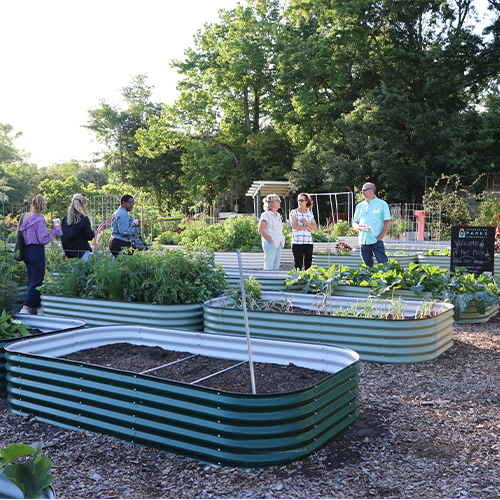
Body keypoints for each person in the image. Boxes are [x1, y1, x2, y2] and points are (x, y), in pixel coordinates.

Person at [17, 194, 63, 315]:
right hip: (36, 252)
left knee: (31, 281)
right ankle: (24, 310)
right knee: (37, 282)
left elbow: (18, 233)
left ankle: (39, 309)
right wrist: (55, 231)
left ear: (32, 204)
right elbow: (43, 239)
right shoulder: (40, 219)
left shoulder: (24, 216)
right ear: (43, 207)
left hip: (26, 251)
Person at [352, 182, 392, 267]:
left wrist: (379, 238)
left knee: (384, 265)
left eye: (365, 189)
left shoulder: (382, 204)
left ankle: (386, 279)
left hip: (376, 240)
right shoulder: (360, 206)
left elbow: (388, 223)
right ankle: (370, 279)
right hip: (364, 241)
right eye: (362, 190)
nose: (363, 191)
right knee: (368, 267)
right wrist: (358, 227)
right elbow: (354, 222)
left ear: (372, 190)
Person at [61, 194, 95, 259]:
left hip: (69, 254)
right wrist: (92, 230)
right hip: (81, 252)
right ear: (83, 204)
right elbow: (90, 236)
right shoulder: (84, 218)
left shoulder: (66, 218)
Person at [290, 193, 317, 270]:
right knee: (298, 264)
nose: (300, 202)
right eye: (298, 200)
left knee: (308, 265)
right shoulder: (294, 212)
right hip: (297, 242)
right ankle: (297, 280)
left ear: (306, 201)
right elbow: (294, 226)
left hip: (308, 242)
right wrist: (306, 227)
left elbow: (315, 227)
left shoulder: (309, 213)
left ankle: (307, 281)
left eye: (302, 200)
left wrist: (306, 223)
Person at [258, 194, 286, 270]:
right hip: (271, 243)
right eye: (277, 201)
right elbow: (261, 230)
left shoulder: (278, 215)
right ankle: (266, 281)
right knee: (269, 266)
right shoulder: (266, 214)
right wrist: (271, 241)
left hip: (279, 243)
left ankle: (273, 281)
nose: (279, 202)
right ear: (271, 203)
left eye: (279, 201)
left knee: (276, 267)